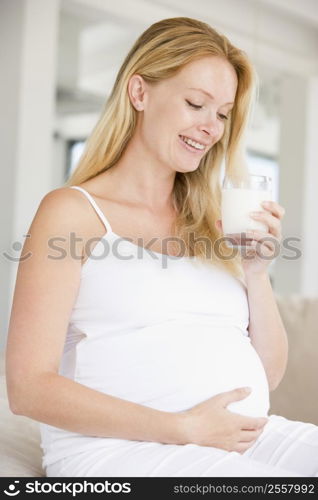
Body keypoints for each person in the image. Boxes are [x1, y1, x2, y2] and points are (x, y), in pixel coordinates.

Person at [5, 17, 318, 478]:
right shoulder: (73, 212)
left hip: (247, 434)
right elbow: (28, 387)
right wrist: (183, 427)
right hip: (120, 451)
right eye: (196, 103)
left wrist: (256, 272)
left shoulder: (212, 222)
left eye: (223, 113)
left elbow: (266, 376)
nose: (211, 127)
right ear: (139, 93)